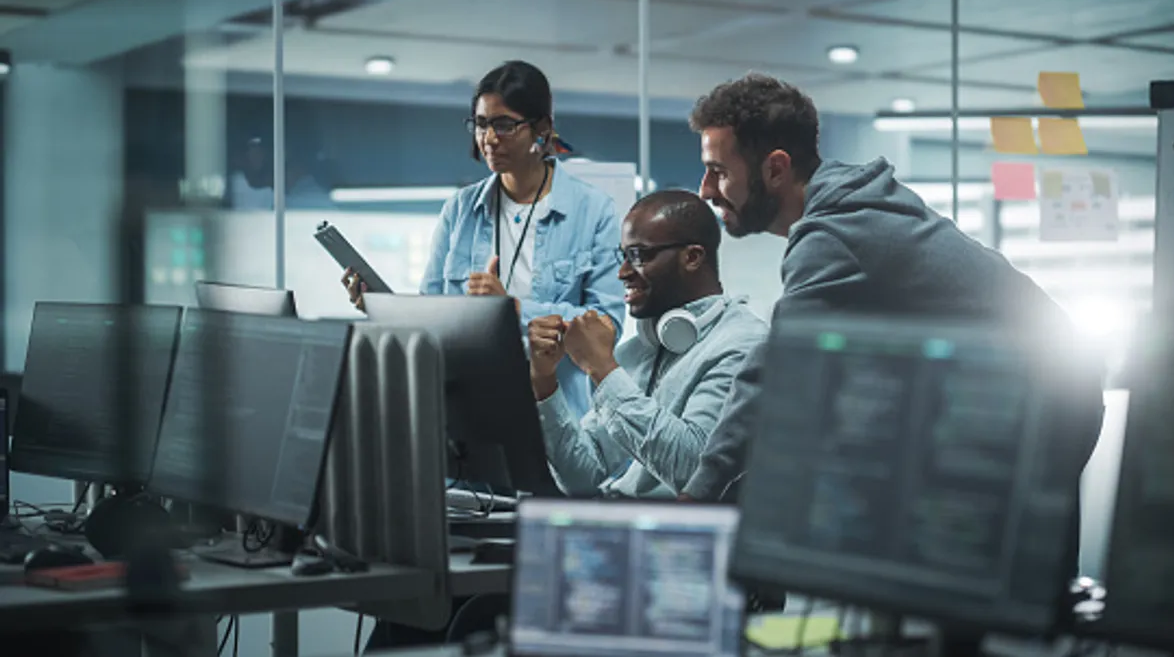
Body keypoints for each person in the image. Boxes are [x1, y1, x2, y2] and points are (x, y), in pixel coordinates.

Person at [681, 73, 1103, 503]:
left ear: (775, 168)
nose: (706, 190)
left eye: (718, 171)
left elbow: (774, 372)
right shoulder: (851, 203)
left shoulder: (835, 233)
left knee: (968, 549)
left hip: (1043, 401)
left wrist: (696, 496)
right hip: (1046, 386)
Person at [344, 60, 623, 419]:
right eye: (481, 124)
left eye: (505, 125)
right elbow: (434, 317)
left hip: (557, 416)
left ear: (542, 128)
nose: (489, 139)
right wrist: (380, 305)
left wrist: (513, 310)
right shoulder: (460, 211)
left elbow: (606, 329)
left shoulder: (593, 211)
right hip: (469, 409)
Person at [528, 190, 766, 498]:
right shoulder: (637, 350)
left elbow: (695, 473)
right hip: (621, 524)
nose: (623, 272)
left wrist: (602, 370)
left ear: (692, 257)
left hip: (680, 537)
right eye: (623, 255)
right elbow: (582, 478)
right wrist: (543, 382)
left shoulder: (743, 345)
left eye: (639, 256)